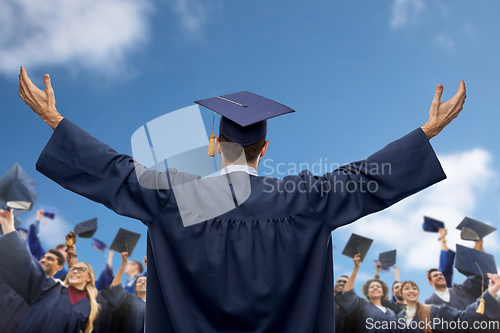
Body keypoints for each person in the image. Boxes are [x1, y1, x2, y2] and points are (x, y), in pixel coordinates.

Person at [19, 66, 465, 332]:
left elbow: (110, 169)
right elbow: (368, 177)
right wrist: (427, 132)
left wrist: (54, 118)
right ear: (265, 149)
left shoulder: (173, 195)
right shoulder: (307, 197)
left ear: (215, 143)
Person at [0, 208, 100, 333]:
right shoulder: (49, 288)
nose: (74, 271)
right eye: (73, 269)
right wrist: (8, 225)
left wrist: (71, 250)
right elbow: (26, 264)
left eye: (80, 270)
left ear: (89, 277)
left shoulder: (91, 305)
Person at [398, 279, 500, 332]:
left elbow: (463, 320)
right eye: (407, 289)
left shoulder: (434, 311)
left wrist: (490, 294)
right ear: (401, 294)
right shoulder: (397, 319)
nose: (411, 291)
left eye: (414, 288)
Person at [336, 254, 398, 333]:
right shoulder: (362, 305)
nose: (375, 288)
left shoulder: (391, 313)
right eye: (371, 287)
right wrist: (356, 268)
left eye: (378, 287)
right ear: (367, 293)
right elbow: (348, 292)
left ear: (383, 292)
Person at [425, 240, 487, 310]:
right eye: (435, 276)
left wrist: (479, 247)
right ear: (430, 281)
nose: (439, 276)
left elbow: (480, 276)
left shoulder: (462, 289)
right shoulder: (430, 302)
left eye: (441, 275)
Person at [101, 252, 146, 333]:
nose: (143, 282)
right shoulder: (130, 300)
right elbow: (115, 288)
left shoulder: (157, 306)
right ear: (135, 288)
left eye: (146, 281)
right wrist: (123, 263)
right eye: (139, 281)